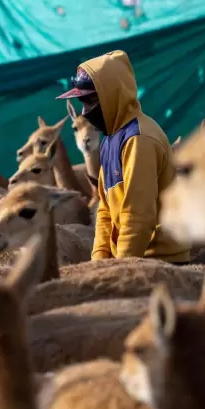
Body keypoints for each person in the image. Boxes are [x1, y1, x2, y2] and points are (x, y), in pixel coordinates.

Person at [56, 50, 190, 263]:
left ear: (110, 96)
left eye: (88, 102)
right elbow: (105, 211)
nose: (84, 111)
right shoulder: (111, 141)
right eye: (81, 103)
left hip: (159, 258)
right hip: (130, 258)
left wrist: (119, 268)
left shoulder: (139, 139)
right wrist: (98, 260)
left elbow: (138, 216)